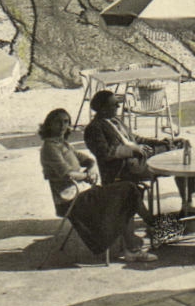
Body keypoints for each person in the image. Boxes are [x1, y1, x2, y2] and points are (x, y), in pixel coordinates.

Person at [38, 108, 155, 263]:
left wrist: (92, 169)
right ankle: (149, 231)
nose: (62, 125)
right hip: (71, 200)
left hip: (83, 193)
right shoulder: (50, 147)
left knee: (130, 191)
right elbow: (66, 173)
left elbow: (88, 160)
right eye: (57, 121)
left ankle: (137, 241)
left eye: (66, 122)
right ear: (49, 124)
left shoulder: (63, 144)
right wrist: (87, 176)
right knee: (128, 190)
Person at [82, 90, 195, 209]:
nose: (118, 107)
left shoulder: (115, 121)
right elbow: (104, 153)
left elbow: (136, 138)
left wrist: (158, 142)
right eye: (114, 104)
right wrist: (132, 150)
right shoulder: (94, 128)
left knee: (181, 144)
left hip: (140, 158)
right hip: (124, 167)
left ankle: (190, 197)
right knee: (179, 153)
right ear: (103, 109)